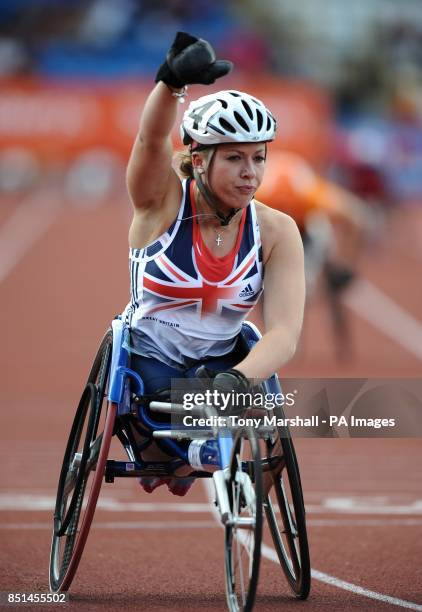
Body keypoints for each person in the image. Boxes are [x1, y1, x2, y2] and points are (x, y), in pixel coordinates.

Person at [120, 32, 305, 495]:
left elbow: (284, 332)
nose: (252, 173)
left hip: (224, 362)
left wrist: (237, 380)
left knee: (271, 436)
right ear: (199, 160)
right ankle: (182, 454)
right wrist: (171, 82)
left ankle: (242, 505)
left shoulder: (277, 230)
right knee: (171, 470)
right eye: (236, 158)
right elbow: (151, 139)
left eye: (259, 158)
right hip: (152, 362)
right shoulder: (159, 203)